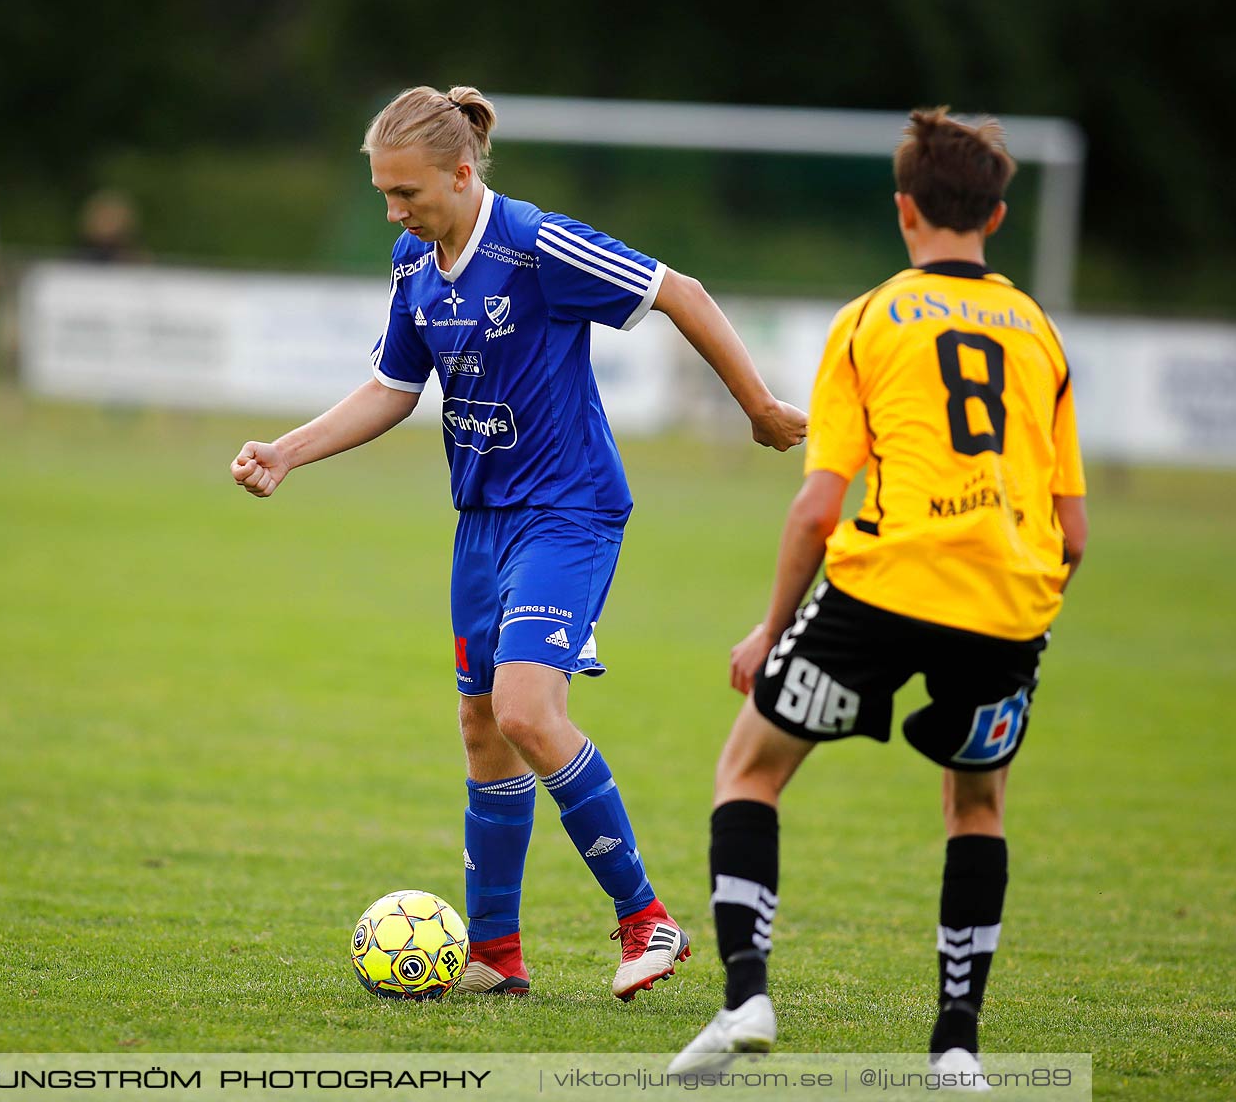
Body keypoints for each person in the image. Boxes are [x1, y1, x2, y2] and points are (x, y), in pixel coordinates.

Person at [232, 85, 807, 1000]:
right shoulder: (413, 261)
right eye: (385, 193)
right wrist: (288, 452)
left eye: (408, 192)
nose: (395, 211)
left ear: (463, 174)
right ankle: (497, 958)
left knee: (528, 713)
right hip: (483, 523)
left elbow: (678, 292)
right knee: (482, 729)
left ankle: (647, 922)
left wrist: (762, 407)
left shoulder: (538, 243)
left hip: (569, 510)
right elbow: (393, 386)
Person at [672, 108, 1088, 1077]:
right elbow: (1072, 533)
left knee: (750, 771)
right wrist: (1020, 621)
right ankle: (955, 1049)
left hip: (885, 584)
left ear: (906, 210)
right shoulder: (1040, 336)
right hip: (1005, 603)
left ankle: (745, 1000)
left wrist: (772, 631)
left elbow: (819, 510)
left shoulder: (867, 322)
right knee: (976, 809)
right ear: (998, 213)